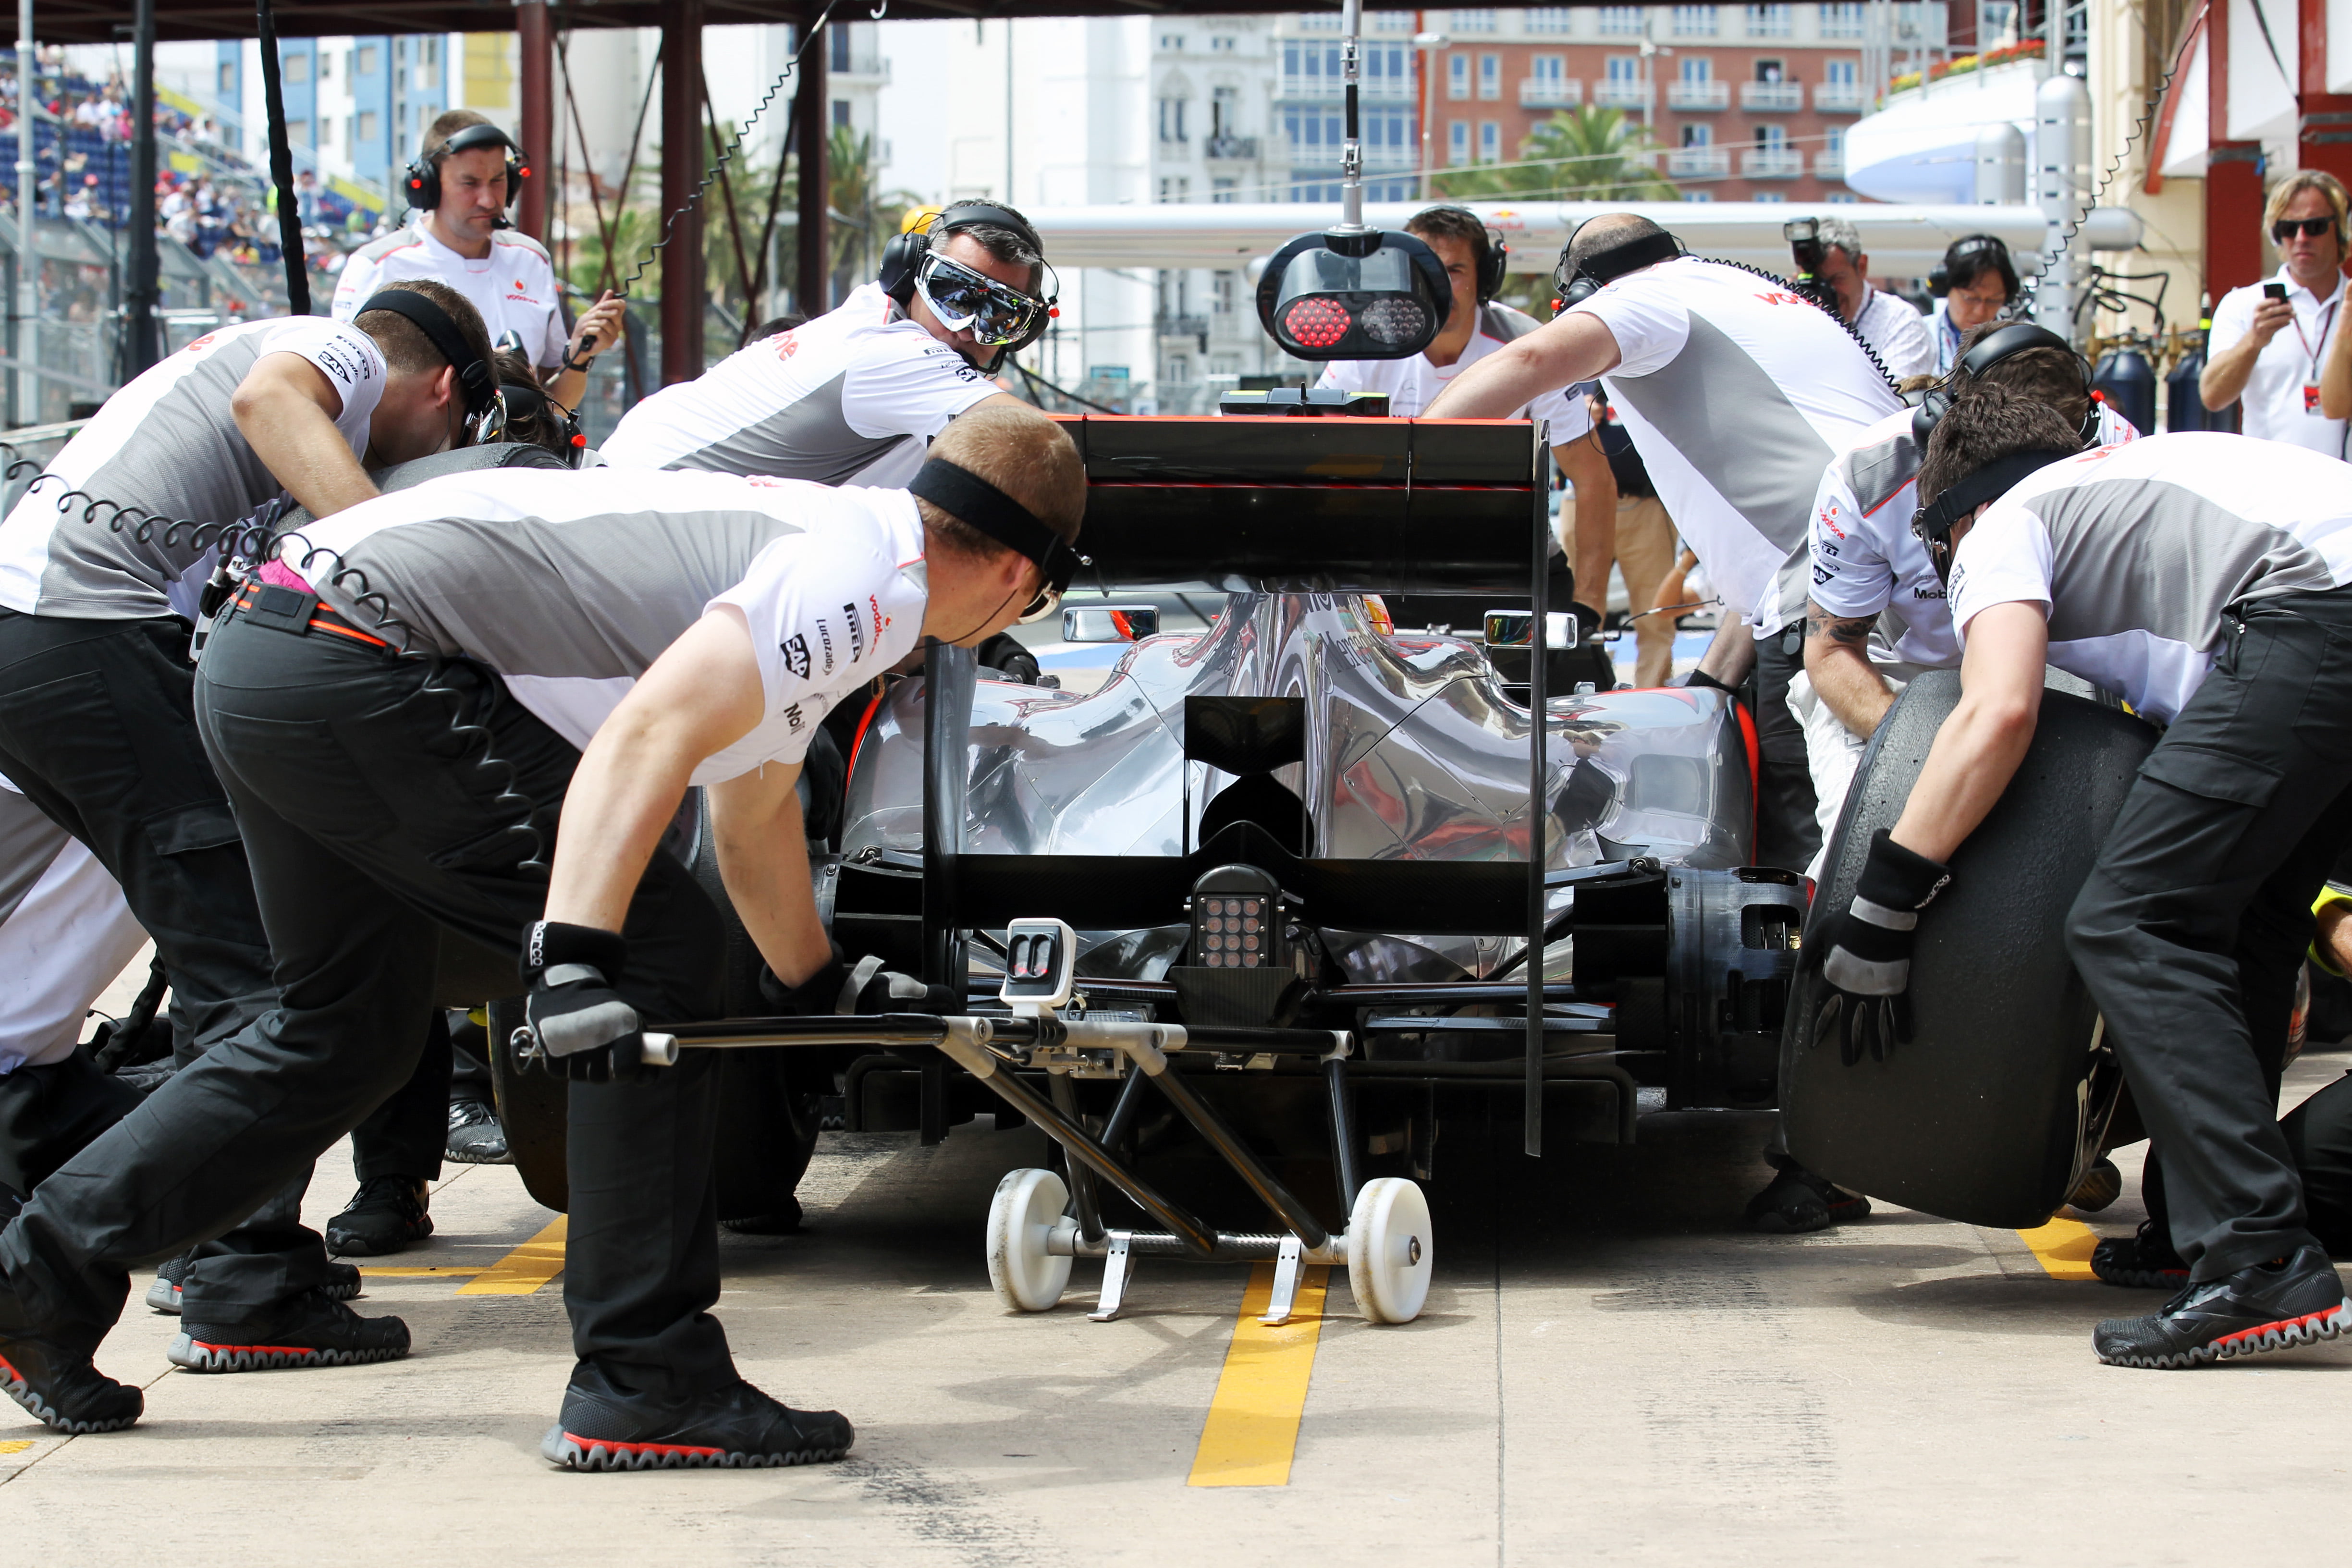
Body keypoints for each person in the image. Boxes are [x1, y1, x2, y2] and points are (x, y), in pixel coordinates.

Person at [0, 402, 1086, 1463]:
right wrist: (574, 956)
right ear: (1016, 574)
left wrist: (817, 983)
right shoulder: (865, 581)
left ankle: (35, 1283)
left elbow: (749, 809)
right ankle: (645, 1378)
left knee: (339, 1032)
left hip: (268, 651)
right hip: (356, 653)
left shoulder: (839, 548)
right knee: (662, 955)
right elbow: (646, 734)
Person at [0, 281, 503, 1385]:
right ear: (438, 387)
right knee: (265, 983)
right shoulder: (332, 353)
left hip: (49, 644)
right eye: (456, 434)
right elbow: (276, 401)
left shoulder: (268, 383)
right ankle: (243, 1282)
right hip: (82, 638)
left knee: (234, 961)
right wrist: (399, 567)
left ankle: (207, 1249)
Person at [1823, 397, 2352, 1366]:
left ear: (1954, 520)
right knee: (2243, 926)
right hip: (2321, 617)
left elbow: (1997, 714)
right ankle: (2208, 1237)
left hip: (2320, 614)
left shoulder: (2008, 524)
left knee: (2128, 923)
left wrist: (1884, 902)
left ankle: (2260, 1257)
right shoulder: (2136, 503)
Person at [1737, 322, 2140, 1235]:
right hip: (1896, 689)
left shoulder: (2117, 451)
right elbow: (1830, 647)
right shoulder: (1868, 473)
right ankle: (1816, 1146)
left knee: (2092, 900)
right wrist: (1921, 755)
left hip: (2055, 681)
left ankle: (2059, 1130)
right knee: (1845, 878)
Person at [1424, 213, 1902, 873]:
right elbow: (1780, 554)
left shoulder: (1642, 298)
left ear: (1584, 298)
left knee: (1828, 853)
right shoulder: (1747, 294)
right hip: (1882, 574)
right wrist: (1708, 684)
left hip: (1842, 608)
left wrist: (1407, 466)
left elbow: (1527, 360)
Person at [1306, 206, 1610, 647]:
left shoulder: (1531, 344)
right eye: (1426, 270)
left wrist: (1591, 603)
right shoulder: (1364, 345)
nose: (1440, 285)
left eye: (1455, 270)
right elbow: (1319, 461)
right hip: (1396, 572)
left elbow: (1593, 478)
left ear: (1485, 278)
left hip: (1512, 573)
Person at [599, 200, 1049, 484]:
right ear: (909, 275)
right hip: (635, 517)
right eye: (953, 293)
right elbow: (1050, 443)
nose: (967, 328)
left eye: (1001, 315)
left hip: (630, 499)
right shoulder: (895, 351)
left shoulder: (862, 322)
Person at [331, 110, 625, 417]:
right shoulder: (376, 265)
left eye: (498, 181)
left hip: (519, 462)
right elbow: (349, 397)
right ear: (427, 186)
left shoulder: (532, 259)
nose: (488, 200)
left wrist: (580, 355)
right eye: (469, 184)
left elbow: (555, 406)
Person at [2201, 170, 2349, 456]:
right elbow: (2213, 396)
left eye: (2315, 226)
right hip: (2273, 485)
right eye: (2288, 229)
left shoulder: (2349, 303)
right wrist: (2253, 342)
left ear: (2340, 232)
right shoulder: (2244, 304)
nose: (2301, 238)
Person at [1803, 215, 1936, 380]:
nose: (1824, 292)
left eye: (1836, 280)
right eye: (1813, 282)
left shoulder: (1900, 321)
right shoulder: (1793, 320)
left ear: (1862, 266)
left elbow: (1900, 400)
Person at [1926, 234, 2020, 374]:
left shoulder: (2020, 343)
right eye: (1971, 298)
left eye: (1994, 300)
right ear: (1945, 288)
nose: (1980, 311)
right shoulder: (1917, 335)